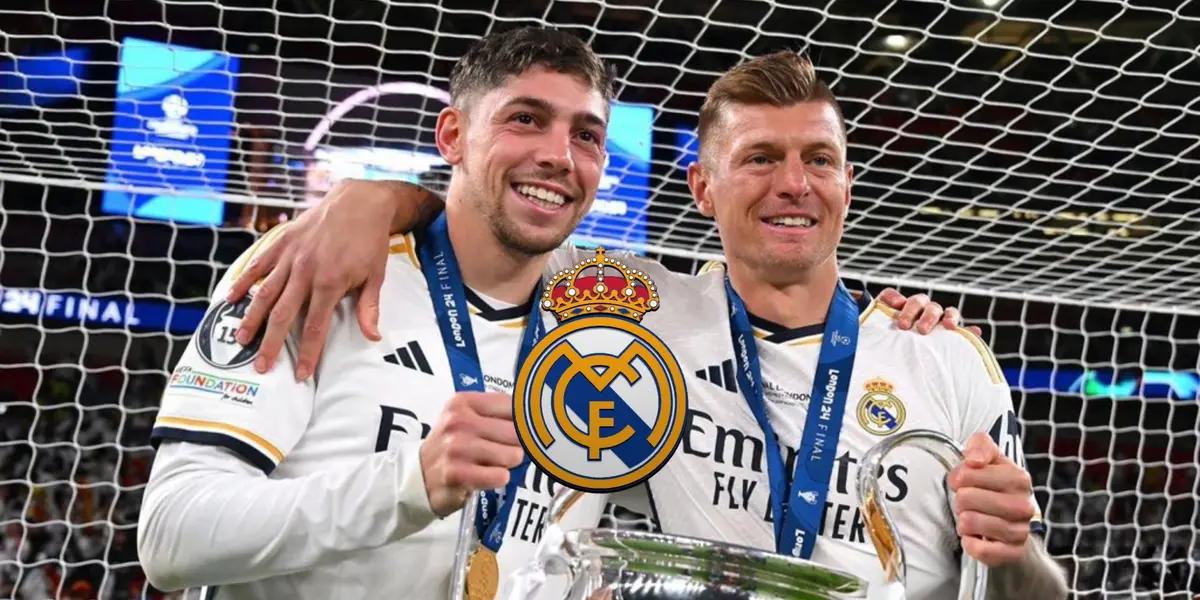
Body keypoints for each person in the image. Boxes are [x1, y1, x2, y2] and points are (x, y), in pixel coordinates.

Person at [225, 51, 1068, 600]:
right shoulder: (630, 307)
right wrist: (367, 200)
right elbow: (496, 226)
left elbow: (1038, 593)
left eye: (820, 159)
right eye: (760, 160)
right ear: (702, 191)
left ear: (847, 182)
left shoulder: (946, 360)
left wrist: (1015, 549)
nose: (795, 185)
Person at [138, 27, 624, 599]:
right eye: (525, 119)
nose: (558, 156)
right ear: (453, 135)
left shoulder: (609, 334)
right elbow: (173, 536)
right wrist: (410, 482)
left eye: (586, 135)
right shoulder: (315, 271)